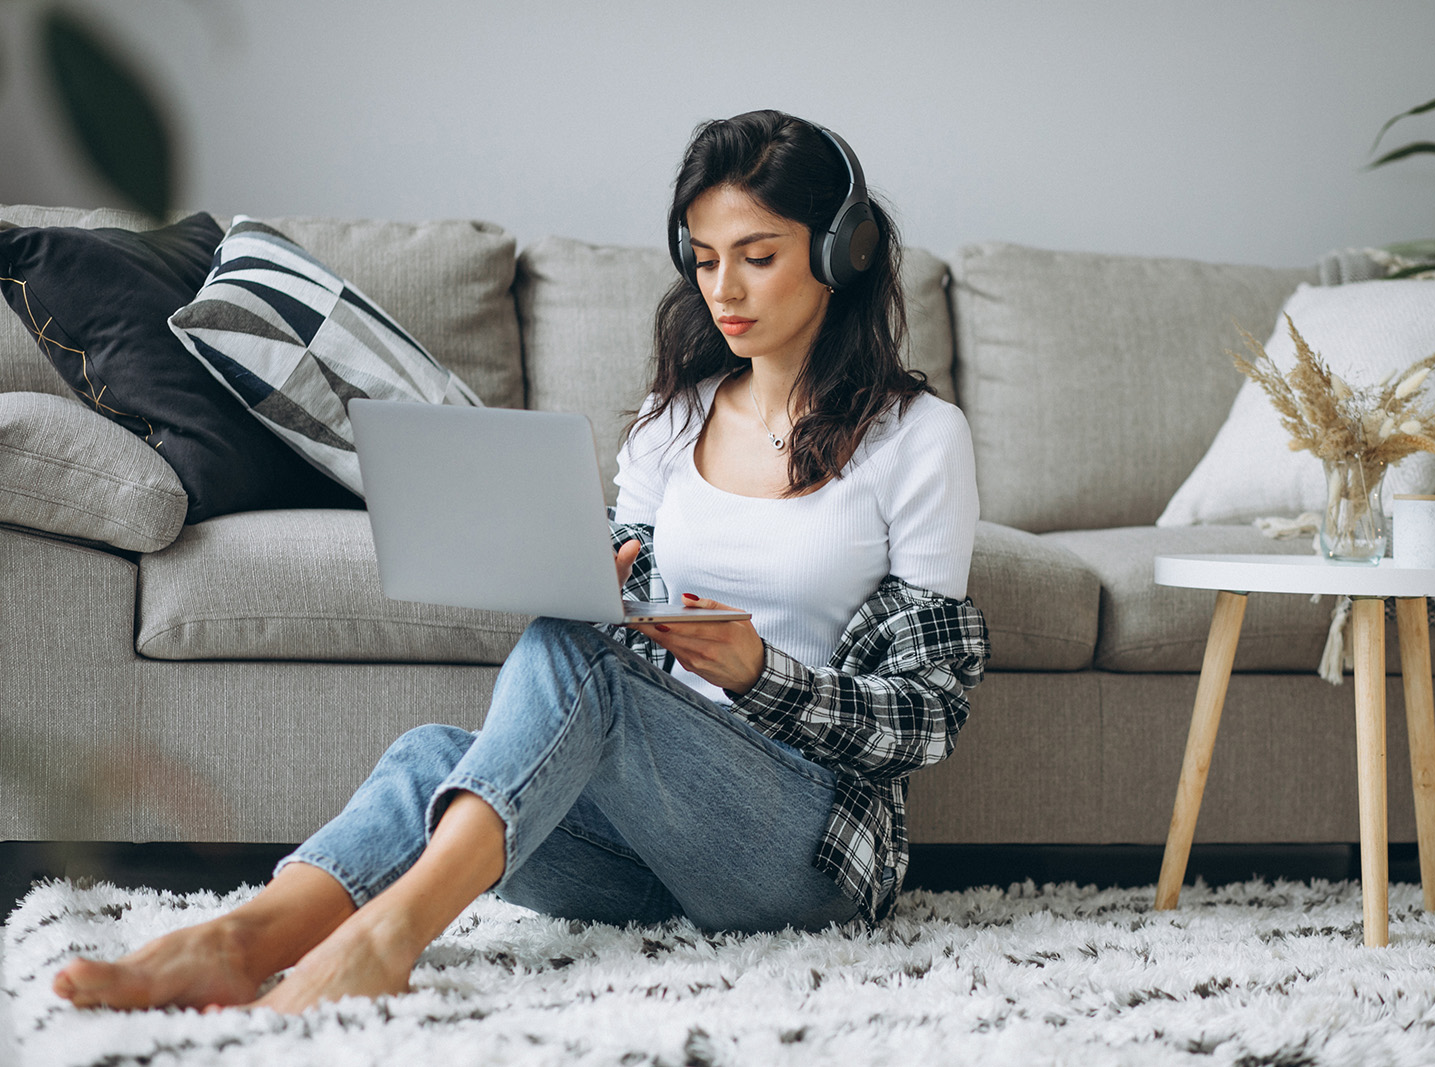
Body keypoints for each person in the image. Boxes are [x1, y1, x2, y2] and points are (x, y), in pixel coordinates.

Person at [51, 109, 989, 1015]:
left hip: (806, 851)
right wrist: (603, 581)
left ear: (841, 254)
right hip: (660, 848)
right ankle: (239, 940)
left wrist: (760, 674)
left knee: (577, 659)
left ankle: (387, 941)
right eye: (704, 261)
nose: (724, 291)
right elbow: (632, 631)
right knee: (436, 752)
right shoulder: (675, 422)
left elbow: (931, 717)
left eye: (758, 256)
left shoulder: (918, 439)